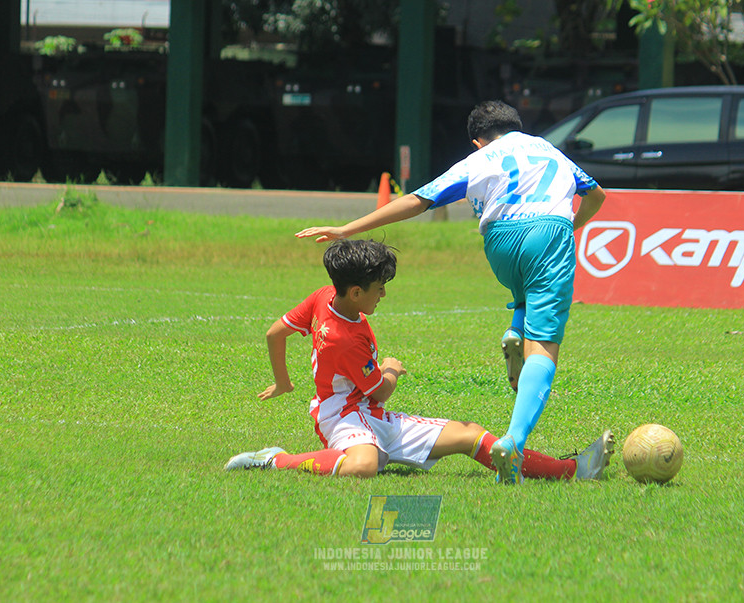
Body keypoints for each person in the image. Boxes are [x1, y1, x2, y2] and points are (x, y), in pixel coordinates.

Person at [295, 101, 610, 484]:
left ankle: (517, 328)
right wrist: (569, 227)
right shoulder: (550, 150)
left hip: (500, 242)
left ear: (479, 141)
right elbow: (596, 196)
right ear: (517, 127)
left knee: (526, 295)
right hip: (549, 231)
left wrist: (346, 229)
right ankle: (514, 439)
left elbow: (418, 201)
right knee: (544, 348)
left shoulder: (478, 159)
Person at [225, 239, 612, 482]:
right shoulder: (346, 339)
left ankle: (573, 469)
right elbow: (381, 389)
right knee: (364, 465)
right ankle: (277, 460)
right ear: (356, 291)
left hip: (369, 415)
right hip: (342, 416)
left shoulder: (325, 295)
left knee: (471, 434)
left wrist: (283, 381)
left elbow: (275, 331)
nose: (383, 295)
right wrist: (391, 366)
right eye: (380, 289)